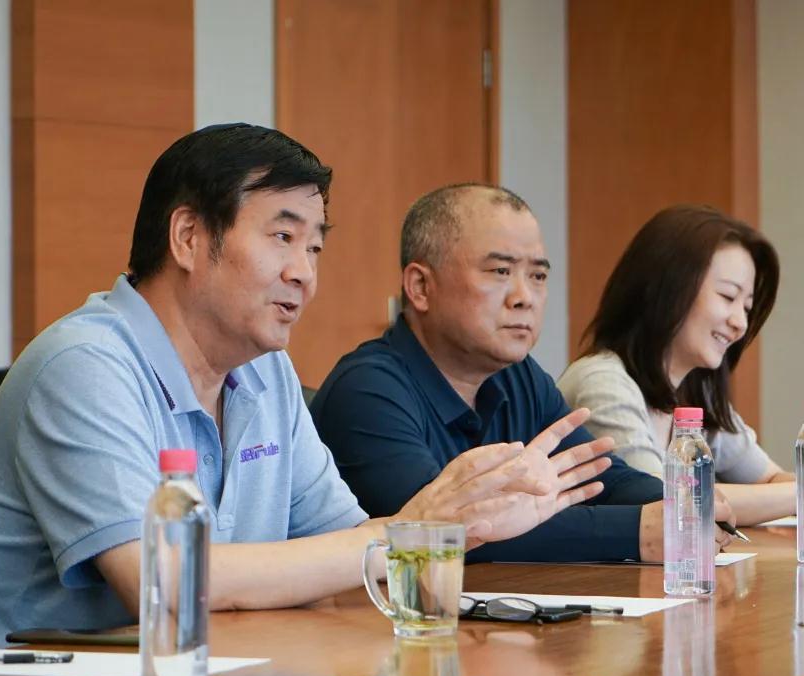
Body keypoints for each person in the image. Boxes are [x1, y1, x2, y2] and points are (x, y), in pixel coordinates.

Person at [0, 125, 613, 655]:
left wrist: (463, 524)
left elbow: (349, 562)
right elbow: (165, 585)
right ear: (189, 237)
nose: (304, 273)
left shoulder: (265, 373)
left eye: (315, 247)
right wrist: (409, 530)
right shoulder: (84, 365)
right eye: (283, 237)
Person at [310, 184, 736, 564]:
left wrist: (681, 503)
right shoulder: (367, 391)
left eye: (538, 276)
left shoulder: (519, 377)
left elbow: (599, 475)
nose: (524, 297)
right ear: (421, 286)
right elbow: (452, 532)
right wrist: (636, 534)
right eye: (500, 272)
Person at [557, 204, 804, 526]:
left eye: (747, 307)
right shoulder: (602, 382)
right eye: (727, 297)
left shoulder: (694, 391)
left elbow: (768, 479)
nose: (740, 323)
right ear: (667, 288)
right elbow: (665, 502)